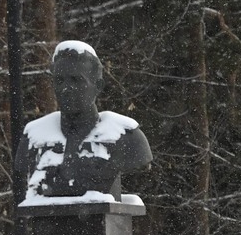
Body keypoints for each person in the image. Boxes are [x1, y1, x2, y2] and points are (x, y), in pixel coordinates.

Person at [14, 40, 152, 200]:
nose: (66, 89)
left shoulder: (127, 138)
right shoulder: (33, 139)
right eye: (60, 81)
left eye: (76, 80)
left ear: (98, 86)